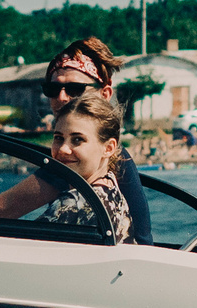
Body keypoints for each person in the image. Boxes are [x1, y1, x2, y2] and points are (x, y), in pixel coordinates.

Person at [0, 37, 153, 240]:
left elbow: (1, 208)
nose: (61, 97)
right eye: (52, 88)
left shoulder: (78, 163)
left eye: (74, 89)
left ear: (104, 94)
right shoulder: (105, 163)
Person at [40, 88, 134, 241]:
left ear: (108, 148)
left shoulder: (73, 203)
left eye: (77, 140)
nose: (63, 149)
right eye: (58, 138)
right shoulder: (111, 188)